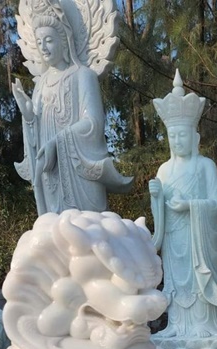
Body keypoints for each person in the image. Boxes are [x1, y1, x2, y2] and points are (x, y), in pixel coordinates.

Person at [12, 10, 131, 215]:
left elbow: (93, 122)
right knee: (54, 225)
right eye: (39, 42)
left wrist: (57, 142)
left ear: (65, 41)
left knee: (88, 225)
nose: (43, 47)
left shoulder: (83, 76)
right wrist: (29, 117)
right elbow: (36, 139)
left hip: (80, 169)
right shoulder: (40, 85)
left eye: (49, 40)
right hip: (52, 172)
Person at [149, 71, 217, 339]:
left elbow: (215, 203)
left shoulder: (205, 166)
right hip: (174, 239)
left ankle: (204, 326)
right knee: (175, 281)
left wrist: (190, 206)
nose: (177, 141)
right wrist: (156, 197)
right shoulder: (164, 169)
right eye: (172, 136)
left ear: (194, 137)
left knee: (198, 280)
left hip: (198, 240)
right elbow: (160, 210)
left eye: (182, 135)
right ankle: (176, 326)